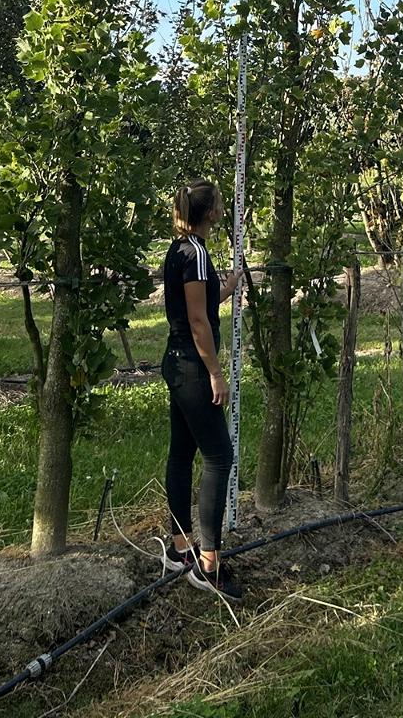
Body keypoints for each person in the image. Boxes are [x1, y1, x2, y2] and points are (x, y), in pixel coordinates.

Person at [161, 179, 244, 602]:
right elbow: (197, 323)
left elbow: (198, 304)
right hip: (193, 368)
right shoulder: (194, 254)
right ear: (209, 211)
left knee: (182, 452)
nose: (224, 208)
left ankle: (179, 550)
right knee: (219, 456)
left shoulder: (182, 250)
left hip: (176, 364)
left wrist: (225, 288)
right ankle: (208, 565)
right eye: (220, 203)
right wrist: (216, 372)